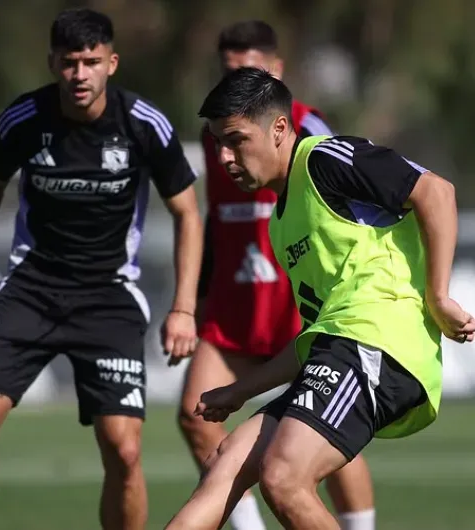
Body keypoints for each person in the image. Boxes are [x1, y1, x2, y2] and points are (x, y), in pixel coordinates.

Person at [0, 8, 202, 530]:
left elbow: (188, 212)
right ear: (53, 62)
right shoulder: (23, 119)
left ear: (112, 63)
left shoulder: (145, 124)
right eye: (70, 62)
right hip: (30, 291)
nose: (80, 74)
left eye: (91, 62)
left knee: (123, 448)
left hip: (109, 298)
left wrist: (183, 308)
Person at [166, 67, 475, 530]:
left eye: (236, 140)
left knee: (284, 477)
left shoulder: (325, 158)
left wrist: (439, 295)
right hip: (338, 349)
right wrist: (238, 392)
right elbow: (317, 333)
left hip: (378, 343)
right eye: (217, 145)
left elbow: (436, 191)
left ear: (279, 129)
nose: (225, 158)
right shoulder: (281, 222)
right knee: (227, 462)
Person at [178, 21, 374, 530]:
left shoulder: (311, 133)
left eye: (251, 72)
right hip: (235, 305)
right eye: (229, 73)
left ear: (278, 73)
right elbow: (216, 221)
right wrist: (192, 301)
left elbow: (365, 212)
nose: (239, 86)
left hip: (296, 308)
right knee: (196, 414)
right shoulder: (215, 138)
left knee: (322, 443)